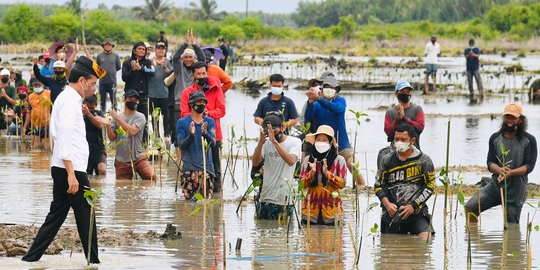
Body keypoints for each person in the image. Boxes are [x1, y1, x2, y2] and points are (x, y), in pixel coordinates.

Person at [22, 56, 105, 264]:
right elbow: (65, 137)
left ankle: (30, 260)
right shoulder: (69, 101)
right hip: (71, 169)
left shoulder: (68, 98)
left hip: (62, 166)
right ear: (83, 81)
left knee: (56, 216)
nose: (94, 89)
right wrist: (71, 174)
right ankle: (94, 263)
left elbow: (59, 136)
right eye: (93, 84)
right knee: (87, 216)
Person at [465, 103, 537, 224]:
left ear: (520, 120)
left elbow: (529, 166)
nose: (510, 121)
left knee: (511, 225)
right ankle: (474, 237)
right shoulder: (495, 138)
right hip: (496, 185)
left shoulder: (529, 140)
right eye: (507, 117)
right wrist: (499, 170)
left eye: (513, 118)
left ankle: (510, 243)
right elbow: (490, 162)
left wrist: (511, 172)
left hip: (516, 189)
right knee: (470, 207)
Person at [374, 123, 435, 238]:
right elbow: (378, 185)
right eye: (396, 139)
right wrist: (387, 205)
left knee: (426, 239)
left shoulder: (424, 160)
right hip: (392, 213)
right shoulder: (386, 160)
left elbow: (430, 186)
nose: (399, 142)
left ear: (412, 141)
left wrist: (413, 206)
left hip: (417, 212)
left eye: (403, 139)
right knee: (389, 248)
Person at [304, 75, 365, 186]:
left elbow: (337, 108)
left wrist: (318, 99)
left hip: (342, 145)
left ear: (336, 90)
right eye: (327, 87)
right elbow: (308, 117)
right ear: (322, 89)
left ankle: (362, 188)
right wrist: (310, 102)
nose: (329, 89)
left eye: (332, 87)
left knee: (353, 166)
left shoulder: (340, 101)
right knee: (326, 170)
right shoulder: (317, 104)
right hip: (325, 145)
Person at [180, 61, 226, 191]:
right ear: (193, 75)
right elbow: (184, 114)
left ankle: (216, 199)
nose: (201, 76)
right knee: (191, 168)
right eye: (198, 74)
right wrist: (197, 116)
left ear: (207, 73)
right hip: (192, 135)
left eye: (204, 73)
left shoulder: (216, 89)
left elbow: (222, 110)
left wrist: (208, 113)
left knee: (215, 168)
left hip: (213, 134)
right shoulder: (187, 93)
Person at [252, 113, 301, 220]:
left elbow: (291, 161)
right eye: (268, 130)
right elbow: (255, 163)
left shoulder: (294, 142)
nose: (272, 133)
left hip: (284, 199)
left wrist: (274, 142)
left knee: (283, 233)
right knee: (263, 231)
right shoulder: (265, 143)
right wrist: (260, 144)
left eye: (274, 129)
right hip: (265, 197)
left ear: (282, 127)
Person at [299, 125, 346, 225]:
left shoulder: (339, 160)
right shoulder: (308, 160)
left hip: (332, 212)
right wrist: (312, 173)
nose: (321, 142)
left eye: (324, 140)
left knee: (332, 239)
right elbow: (301, 185)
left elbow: (342, 184)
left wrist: (327, 174)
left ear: (330, 143)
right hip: (310, 212)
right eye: (318, 140)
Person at [105, 89, 156, 180]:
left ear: (138, 102)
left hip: (138, 158)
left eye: (135, 100)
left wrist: (117, 118)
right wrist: (108, 125)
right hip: (121, 160)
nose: (133, 101)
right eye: (130, 99)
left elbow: (132, 131)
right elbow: (112, 137)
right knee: (122, 188)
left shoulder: (140, 116)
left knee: (152, 178)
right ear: (124, 100)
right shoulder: (117, 117)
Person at [177, 91, 216, 200]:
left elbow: (213, 143)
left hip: (206, 170)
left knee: (204, 203)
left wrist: (205, 134)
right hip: (189, 171)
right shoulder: (182, 122)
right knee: (189, 205)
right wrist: (191, 135)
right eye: (199, 102)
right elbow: (181, 145)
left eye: (203, 102)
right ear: (191, 104)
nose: (201, 104)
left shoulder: (210, 122)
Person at [170, 30, 205, 151]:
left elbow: (202, 59)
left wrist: (194, 44)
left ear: (194, 58)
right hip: (179, 103)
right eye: (186, 57)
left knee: (195, 129)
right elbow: (175, 58)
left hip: (195, 103)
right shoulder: (179, 68)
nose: (188, 59)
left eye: (190, 57)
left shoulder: (196, 71)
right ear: (182, 58)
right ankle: (178, 155)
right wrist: (185, 44)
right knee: (179, 130)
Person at [384, 80, 425, 148]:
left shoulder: (417, 109)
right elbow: (388, 133)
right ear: (396, 93)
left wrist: (404, 118)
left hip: (414, 149)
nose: (405, 94)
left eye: (408, 92)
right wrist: (397, 120)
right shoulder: (390, 112)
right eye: (402, 91)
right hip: (395, 151)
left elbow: (420, 128)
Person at [122, 42, 155, 125]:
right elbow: (124, 78)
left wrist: (141, 69)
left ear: (145, 52)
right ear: (134, 51)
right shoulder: (127, 62)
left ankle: (144, 138)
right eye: (139, 49)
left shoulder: (147, 62)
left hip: (143, 96)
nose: (141, 50)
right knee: (130, 121)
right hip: (130, 96)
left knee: (144, 121)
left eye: (143, 49)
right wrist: (132, 70)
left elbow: (152, 73)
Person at [149, 42, 173, 138]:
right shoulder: (150, 61)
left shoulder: (168, 61)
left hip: (165, 94)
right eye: (159, 48)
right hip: (152, 94)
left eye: (163, 49)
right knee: (155, 117)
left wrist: (165, 68)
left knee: (166, 117)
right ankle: (156, 136)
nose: (161, 50)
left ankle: (166, 135)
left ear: (165, 51)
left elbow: (172, 75)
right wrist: (152, 68)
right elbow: (147, 75)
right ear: (155, 50)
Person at [22, 79, 52, 148]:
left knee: (47, 145)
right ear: (33, 86)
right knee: (36, 146)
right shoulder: (31, 96)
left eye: (39, 85)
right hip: (36, 125)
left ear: (43, 85)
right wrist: (24, 127)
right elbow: (28, 113)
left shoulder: (49, 94)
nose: (37, 87)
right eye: (35, 85)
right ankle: (37, 158)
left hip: (47, 124)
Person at [83, 95, 107, 176]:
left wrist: (89, 114)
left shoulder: (99, 113)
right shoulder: (79, 115)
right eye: (88, 108)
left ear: (96, 105)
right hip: (84, 149)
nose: (90, 110)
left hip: (98, 149)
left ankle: (102, 187)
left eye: (92, 108)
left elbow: (100, 125)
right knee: (86, 175)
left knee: (102, 170)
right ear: (83, 105)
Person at [95, 39, 121, 111]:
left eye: (109, 45)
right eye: (106, 45)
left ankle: (115, 116)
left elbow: (118, 67)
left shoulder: (115, 56)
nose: (108, 46)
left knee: (114, 100)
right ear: (103, 46)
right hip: (102, 82)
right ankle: (102, 115)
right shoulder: (99, 56)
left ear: (112, 46)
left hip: (112, 82)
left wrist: (111, 71)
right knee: (102, 101)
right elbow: (97, 67)